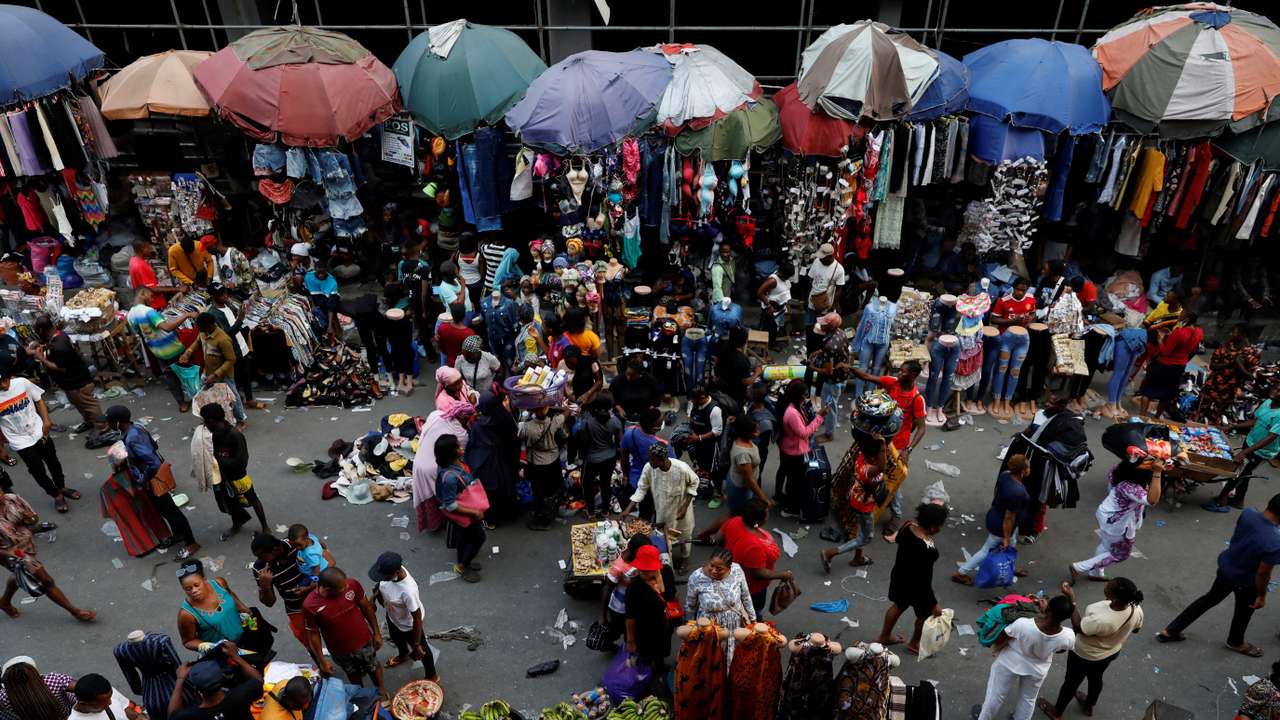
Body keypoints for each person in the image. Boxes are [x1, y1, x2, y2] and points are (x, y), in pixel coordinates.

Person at [1158, 493, 1280, 657]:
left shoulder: (1249, 513)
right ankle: (1235, 642)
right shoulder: (1275, 542)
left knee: (1209, 599)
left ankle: (1171, 630)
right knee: (1243, 612)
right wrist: (1262, 595)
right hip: (1246, 581)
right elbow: (1263, 573)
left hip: (1226, 567)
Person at [105, 405, 200, 561]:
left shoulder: (132, 437)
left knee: (171, 511)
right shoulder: (135, 428)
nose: (107, 425)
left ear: (117, 422)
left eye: (109, 422)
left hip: (152, 481)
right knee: (164, 509)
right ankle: (178, 535)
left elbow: (153, 463)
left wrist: (142, 479)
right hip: (150, 479)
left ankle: (191, 543)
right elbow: (154, 446)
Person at [1040, 579, 1144, 719]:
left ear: (1114, 597)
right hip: (1110, 652)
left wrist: (1072, 600)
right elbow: (1136, 629)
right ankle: (1089, 705)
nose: (1106, 584)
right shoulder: (1136, 608)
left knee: (1071, 683)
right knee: (1096, 678)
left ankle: (1056, 712)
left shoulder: (1102, 620)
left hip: (1085, 655)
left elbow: (1078, 627)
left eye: (1109, 586)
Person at [849, 360, 926, 534]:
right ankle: (864, 502)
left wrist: (908, 450)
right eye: (900, 370)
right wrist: (850, 368)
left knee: (893, 482)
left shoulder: (917, 398)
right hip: (878, 440)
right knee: (868, 473)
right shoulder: (893, 383)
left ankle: (896, 515)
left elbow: (922, 428)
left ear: (913, 375)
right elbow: (867, 376)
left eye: (904, 372)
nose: (899, 373)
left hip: (897, 447)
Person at [974, 595, 1076, 720]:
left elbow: (1005, 636)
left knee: (995, 694)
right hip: (1037, 669)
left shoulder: (1023, 624)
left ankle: (984, 718)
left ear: (1048, 610)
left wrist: (996, 649)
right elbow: (1061, 650)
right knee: (1028, 699)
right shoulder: (1068, 636)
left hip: (1009, 662)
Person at [0, 491, 94, 621]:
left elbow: (33, 519)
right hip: (9, 553)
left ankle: (5, 601)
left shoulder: (12, 499)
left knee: (19, 573)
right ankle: (75, 612)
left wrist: (29, 517)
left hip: (26, 544)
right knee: (46, 580)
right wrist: (11, 554)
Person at [0, 359, 77, 513]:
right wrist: (1, 447)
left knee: (53, 461)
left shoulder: (22, 383)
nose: (4, 385)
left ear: (10, 376)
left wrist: (47, 421)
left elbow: (39, 400)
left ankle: (62, 487)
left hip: (39, 431)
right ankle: (56, 496)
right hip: (20, 441)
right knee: (37, 470)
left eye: (5, 380)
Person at [302, 568, 388, 702]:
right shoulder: (310, 606)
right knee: (352, 673)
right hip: (340, 651)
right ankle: (361, 695)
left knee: (373, 665)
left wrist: (377, 633)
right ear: (327, 588)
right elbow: (313, 634)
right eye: (342, 587)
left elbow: (366, 608)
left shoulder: (352, 585)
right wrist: (322, 661)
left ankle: (381, 690)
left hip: (364, 640)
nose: (347, 587)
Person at [1071, 462, 1162, 582]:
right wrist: (1157, 473)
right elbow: (1152, 500)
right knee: (1121, 554)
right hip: (1116, 522)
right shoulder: (1130, 487)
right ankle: (1078, 567)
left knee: (1106, 545)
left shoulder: (1119, 471)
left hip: (1107, 516)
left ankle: (1095, 572)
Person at [877, 503, 948, 655]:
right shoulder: (926, 550)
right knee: (924, 615)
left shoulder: (907, 526)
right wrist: (934, 603)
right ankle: (915, 643)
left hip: (900, 576)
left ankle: (884, 636)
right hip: (917, 586)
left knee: (898, 605)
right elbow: (924, 579)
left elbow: (898, 540)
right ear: (933, 527)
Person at [29, 315, 111, 443]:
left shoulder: (59, 346)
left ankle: (102, 427)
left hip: (77, 381)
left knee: (89, 404)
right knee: (78, 403)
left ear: (41, 330)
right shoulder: (57, 336)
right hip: (70, 382)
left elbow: (59, 368)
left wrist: (41, 358)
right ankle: (89, 422)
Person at [252, 531, 332, 658]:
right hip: (296, 608)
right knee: (310, 642)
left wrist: (310, 585)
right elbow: (269, 602)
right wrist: (265, 585)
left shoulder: (296, 545)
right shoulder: (259, 569)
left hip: (320, 598)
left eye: (263, 557)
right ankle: (323, 667)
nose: (262, 562)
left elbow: (328, 563)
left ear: (276, 549)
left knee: (335, 631)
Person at [954, 454, 1031, 585]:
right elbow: (1009, 517)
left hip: (996, 516)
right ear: (1023, 470)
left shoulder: (1006, 475)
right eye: (1028, 467)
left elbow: (996, 492)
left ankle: (1010, 566)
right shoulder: (1018, 492)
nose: (1030, 469)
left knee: (1012, 545)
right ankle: (961, 573)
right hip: (1002, 526)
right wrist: (1005, 537)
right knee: (986, 551)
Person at [621, 444, 698, 573]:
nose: (650, 462)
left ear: (662, 459)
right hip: (662, 510)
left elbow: (695, 482)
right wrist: (627, 510)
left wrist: (684, 507)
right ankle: (668, 562)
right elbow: (641, 489)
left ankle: (686, 558)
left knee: (684, 535)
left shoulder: (682, 468)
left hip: (681, 510)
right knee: (665, 537)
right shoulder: (649, 468)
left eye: (652, 459)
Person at [821, 432, 892, 570]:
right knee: (865, 538)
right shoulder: (870, 470)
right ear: (873, 457)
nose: (882, 456)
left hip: (857, 500)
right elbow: (882, 467)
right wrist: (883, 445)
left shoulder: (862, 457)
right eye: (880, 454)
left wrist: (879, 441)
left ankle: (858, 558)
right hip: (864, 507)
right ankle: (830, 553)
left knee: (862, 529)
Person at [200, 403, 268, 541]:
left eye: (205, 420)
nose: (204, 424)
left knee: (252, 499)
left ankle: (265, 527)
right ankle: (237, 523)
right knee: (228, 501)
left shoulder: (234, 435)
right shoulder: (211, 435)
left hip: (238, 476)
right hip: (221, 476)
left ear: (212, 420)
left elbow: (242, 460)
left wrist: (218, 461)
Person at [1207, 384, 1280, 511]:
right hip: (1250, 441)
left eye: (1279, 390)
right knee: (1245, 472)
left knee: (1238, 472)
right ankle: (1238, 500)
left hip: (1261, 451)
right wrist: (1233, 426)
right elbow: (1256, 421)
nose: (1274, 390)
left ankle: (1221, 501)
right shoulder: (1267, 402)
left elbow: (1270, 438)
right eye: (1276, 387)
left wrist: (1244, 452)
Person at [368, 551, 438, 681]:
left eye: (384, 576)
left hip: (409, 625)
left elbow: (416, 618)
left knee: (423, 651)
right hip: (393, 616)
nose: (381, 578)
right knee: (395, 637)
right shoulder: (390, 574)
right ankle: (403, 654)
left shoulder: (408, 591)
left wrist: (416, 645)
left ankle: (432, 675)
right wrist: (373, 599)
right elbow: (381, 586)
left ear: (396, 572)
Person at [127, 287, 198, 412]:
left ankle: (182, 403)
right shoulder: (148, 311)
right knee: (188, 373)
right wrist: (186, 314)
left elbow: (140, 334)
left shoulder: (130, 315)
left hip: (158, 352)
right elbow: (167, 327)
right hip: (174, 348)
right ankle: (198, 398)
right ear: (143, 294)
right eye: (151, 295)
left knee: (170, 378)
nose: (152, 299)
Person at [722, 499, 791, 615]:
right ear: (758, 521)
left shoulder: (735, 521)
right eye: (767, 514)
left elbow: (720, 537)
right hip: (752, 588)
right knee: (753, 611)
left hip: (731, 576)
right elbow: (759, 574)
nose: (768, 517)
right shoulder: (754, 547)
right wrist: (783, 574)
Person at [685, 548, 755, 659]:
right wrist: (690, 629)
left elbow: (746, 596)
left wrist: (753, 620)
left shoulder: (737, 571)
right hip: (708, 628)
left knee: (729, 657)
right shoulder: (696, 577)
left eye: (719, 569)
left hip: (732, 625)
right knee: (709, 659)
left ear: (729, 568)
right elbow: (690, 605)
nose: (713, 571)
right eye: (711, 565)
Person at [434, 435, 486, 583]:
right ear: (451, 453)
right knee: (479, 537)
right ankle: (462, 566)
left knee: (465, 538)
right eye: (458, 447)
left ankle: (465, 561)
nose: (461, 448)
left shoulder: (453, 465)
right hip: (464, 512)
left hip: (465, 508)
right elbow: (450, 504)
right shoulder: (450, 477)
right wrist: (474, 512)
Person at [180, 312, 246, 427]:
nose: (200, 330)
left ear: (210, 326)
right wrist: (188, 352)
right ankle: (214, 418)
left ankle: (240, 420)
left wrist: (216, 375)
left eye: (201, 328)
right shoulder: (203, 332)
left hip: (224, 375)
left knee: (233, 398)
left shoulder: (223, 340)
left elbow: (231, 360)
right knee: (207, 395)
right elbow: (197, 342)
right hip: (208, 371)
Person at [464, 392, 520, 525]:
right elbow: (513, 442)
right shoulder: (504, 419)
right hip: (503, 461)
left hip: (484, 463)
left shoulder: (479, 424)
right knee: (506, 487)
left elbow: (472, 445)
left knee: (490, 492)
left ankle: (492, 519)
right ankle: (508, 514)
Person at [1135, 309, 1203, 419]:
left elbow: (1165, 351)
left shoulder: (1179, 333)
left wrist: (1160, 339)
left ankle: (1142, 417)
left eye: (1182, 313)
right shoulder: (1199, 332)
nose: (1180, 314)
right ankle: (1157, 417)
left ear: (1187, 318)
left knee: (1147, 391)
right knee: (1166, 395)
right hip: (1179, 367)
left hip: (1163, 365)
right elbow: (1192, 349)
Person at [207, 284, 265, 411]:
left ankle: (249, 399)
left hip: (241, 345)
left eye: (226, 293)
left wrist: (242, 318)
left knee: (245, 374)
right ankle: (237, 404)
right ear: (214, 296)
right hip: (231, 350)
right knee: (236, 378)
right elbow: (225, 334)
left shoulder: (228, 305)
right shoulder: (213, 313)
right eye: (222, 294)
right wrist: (240, 319)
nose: (225, 296)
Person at [774, 379, 827, 519]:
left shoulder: (794, 406)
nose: (806, 397)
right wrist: (820, 417)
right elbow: (804, 433)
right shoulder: (792, 413)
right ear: (798, 395)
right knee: (794, 481)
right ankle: (790, 508)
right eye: (804, 394)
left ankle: (783, 498)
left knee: (791, 477)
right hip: (794, 452)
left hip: (789, 448)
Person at [168, 646, 263, 720]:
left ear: (196, 690)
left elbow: (172, 715)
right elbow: (258, 680)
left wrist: (180, 679)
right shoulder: (241, 696)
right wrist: (235, 656)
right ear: (222, 681)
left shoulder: (191, 716)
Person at [624, 545, 674, 682]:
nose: (645, 572)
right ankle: (647, 675)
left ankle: (660, 664)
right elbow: (630, 617)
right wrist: (631, 640)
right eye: (642, 569)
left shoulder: (667, 572)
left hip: (664, 624)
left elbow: (672, 595)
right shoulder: (634, 588)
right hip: (645, 630)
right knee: (646, 655)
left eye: (648, 569)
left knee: (663, 649)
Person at [176, 559, 248, 651]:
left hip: (245, 635)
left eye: (197, 585)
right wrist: (212, 647)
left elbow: (230, 594)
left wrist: (243, 608)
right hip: (224, 653)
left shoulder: (219, 583)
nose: (193, 590)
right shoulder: (186, 614)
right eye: (188, 589)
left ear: (204, 580)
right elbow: (188, 641)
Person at [1195, 324, 1260, 424]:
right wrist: (1230, 364)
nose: (1230, 334)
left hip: (1227, 391)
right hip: (1212, 384)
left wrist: (1239, 366)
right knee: (1200, 411)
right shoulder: (1225, 346)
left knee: (1215, 416)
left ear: (1242, 335)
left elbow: (1252, 376)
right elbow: (1213, 365)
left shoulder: (1251, 353)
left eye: (1234, 332)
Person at [519, 405, 567, 531]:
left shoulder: (526, 427)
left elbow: (518, 436)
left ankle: (542, 517)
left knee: (538, 491)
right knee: (552, 488)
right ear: (547, 409)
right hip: (553, 460)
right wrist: (552, 407)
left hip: (536, 463)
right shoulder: (555, 422)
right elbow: (567, 412)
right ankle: (551, 511)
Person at [576, 393, 622, 518]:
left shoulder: (587, 423)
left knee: (587, 484)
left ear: (595, 407)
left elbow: (584, 444)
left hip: (592, 459)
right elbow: (618, 443)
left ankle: (590, 512)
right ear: (610, 407)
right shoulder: (616, 422)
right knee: (605, 484)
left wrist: (582, 457)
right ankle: (605, 511)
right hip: (609, 458)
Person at [808, 312, 850, 443]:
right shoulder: (841, 333)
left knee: (830, 406)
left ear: (829, 327)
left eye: (823, 324)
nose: (821, 325)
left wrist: (813, 368)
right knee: (830, 403)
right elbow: (840, 351)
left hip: (833, 381)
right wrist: (819, 352)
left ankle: (829, 434)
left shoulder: (829, 345)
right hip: (843, 375)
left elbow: (828, 371)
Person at [0, 656, 74, 720]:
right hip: (66, 716)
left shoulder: (4, 697)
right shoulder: (53, 680)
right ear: (34, 672)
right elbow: (81, 687)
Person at [716, 326, 760, 410]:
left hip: (721, 385)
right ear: (745, 341)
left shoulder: (724, 347)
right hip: (735, 394)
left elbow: (716, 363)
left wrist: (717, 376)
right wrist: (757, 373)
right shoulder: (742, 360)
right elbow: (746, 382)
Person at [803, 242, 845, 327]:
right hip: (812, 301)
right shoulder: (817, 261)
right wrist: (807, 297)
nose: (820, 259)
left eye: (823, 257)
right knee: (809, 325)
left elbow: (839, 289)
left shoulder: (839, 269)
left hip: (825, 305)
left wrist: (835, 304)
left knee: (821, 328)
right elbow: (810, 279)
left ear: (830, 256)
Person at [68, 674, 143, 720]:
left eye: (110, 697)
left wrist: (137, 717)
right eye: (103, 703)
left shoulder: (105, 695)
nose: (110, 702)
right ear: (83, 704)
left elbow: (125, 707)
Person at [609, 358, 662, 422]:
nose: (628, 377)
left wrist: (652, 407)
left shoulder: (649, 380)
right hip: (624, 415)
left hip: (644, 415)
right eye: (627, 373)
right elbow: (611, 397)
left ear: (640, 374)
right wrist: (619, 408)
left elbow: (657, 396)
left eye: (632, 375)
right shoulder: (618, 381)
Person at [129, 239, 175, 310]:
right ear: (142, 249)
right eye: (149, 248)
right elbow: (152, 289)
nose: (150, 250)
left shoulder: (133, 260)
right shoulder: (140, 265)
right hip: (154, 304)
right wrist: (177, 289)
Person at [756, 260, 793, 347]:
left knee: (774, 328)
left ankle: (772, 342)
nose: (788, 278)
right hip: (771, 308)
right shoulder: (773, 280)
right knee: (769, 328)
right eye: (787, 276)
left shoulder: (782, 279)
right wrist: (768, 306)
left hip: (778, 308)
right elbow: (759, 292)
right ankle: (768, 345)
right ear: (783, 274)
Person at [435, 303, 476, 370]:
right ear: (464, 316)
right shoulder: (469, 333)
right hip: (465, 366)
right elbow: (472, 354)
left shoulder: (442, 327)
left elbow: (441, 347)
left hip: (450, 362)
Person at [303, 263, 340, 333]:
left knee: (332, 314)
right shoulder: (308, 277)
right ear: (315, 270)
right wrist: (313, 305)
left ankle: (334, 329)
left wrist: (330, 326)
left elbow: (331, 305)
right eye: (318, 273)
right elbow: (308, 292)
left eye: (323, 273)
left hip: (330, 298)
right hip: (318, 298)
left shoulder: (332, 281)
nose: (321, 275)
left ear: (326, 271)